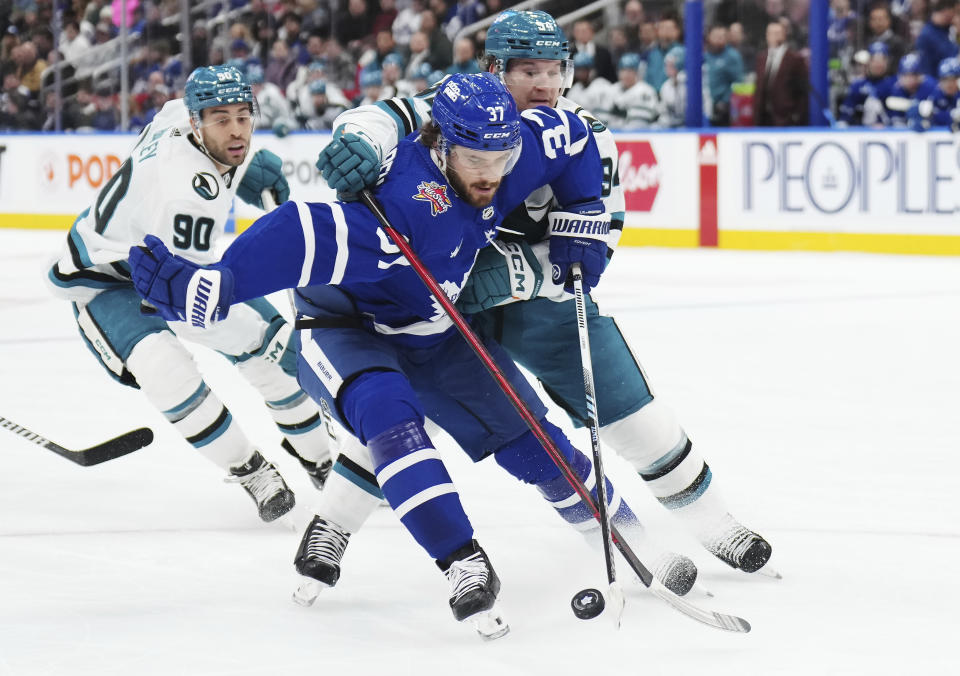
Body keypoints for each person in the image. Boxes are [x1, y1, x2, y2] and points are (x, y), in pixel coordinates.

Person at [127, 72, 645, 637]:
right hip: (346, 328)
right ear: (441, 144)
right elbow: (301, 232)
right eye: (476, 159)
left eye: (504, 156)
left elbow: (572, 138)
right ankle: (461, 562)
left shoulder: (508, 150)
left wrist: (583, 214)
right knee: (391, 421)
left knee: (532, 438)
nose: (492, 174)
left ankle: (625, 536)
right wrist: (220, 282)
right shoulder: (401, 199)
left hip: (434, 329)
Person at [303, 9, 773, 599]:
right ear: (494, 69)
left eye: (557, 70)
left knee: (627, 404)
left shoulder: (583, 133)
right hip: (439, 302)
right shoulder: (453, 109)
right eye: (530, 71)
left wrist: (520, 269)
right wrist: (358, 139)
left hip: (538, 301)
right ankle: (332, 526)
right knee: (400, 415)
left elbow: (600, 238)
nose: (547, 85)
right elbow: (382, 117)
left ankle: (715, 523)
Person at [45, 65, 332, 523]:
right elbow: (187, 296)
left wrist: (245, 169)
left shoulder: (180, 111)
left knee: (271, 349)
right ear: (198, 123)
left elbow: (208, 149)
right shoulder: (188, 198)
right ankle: (249, 468)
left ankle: (321, 459)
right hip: (105, 277)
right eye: (222, 119)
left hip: (164, 261)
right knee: (169, 370)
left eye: (243, 116)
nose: (237, 130)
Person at [754, 21, 808, 126]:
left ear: (784, 35)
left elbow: (803, 91)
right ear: (767, 35)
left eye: (778, 32)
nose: (774, 36)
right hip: (763, 118)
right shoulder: (761, 58)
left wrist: (796, 116)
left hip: (785, 118)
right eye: (771, 33)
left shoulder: (795, 59)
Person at [839, 42, 895, 126]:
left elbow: (899, 116)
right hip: (861, 133)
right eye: (874, 60)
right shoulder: (857, 86)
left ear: (887, 62)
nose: (878, 64)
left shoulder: (894, 85)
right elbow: (845, 116)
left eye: (882, 60)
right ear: (868, 62)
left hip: (889, 133)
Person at [907, 56, 960, 130]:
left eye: (953, 79)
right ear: (939, 80)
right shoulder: (932, 92)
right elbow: (912, 116)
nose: (949, 84)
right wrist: (919, 110)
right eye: (945, 79)